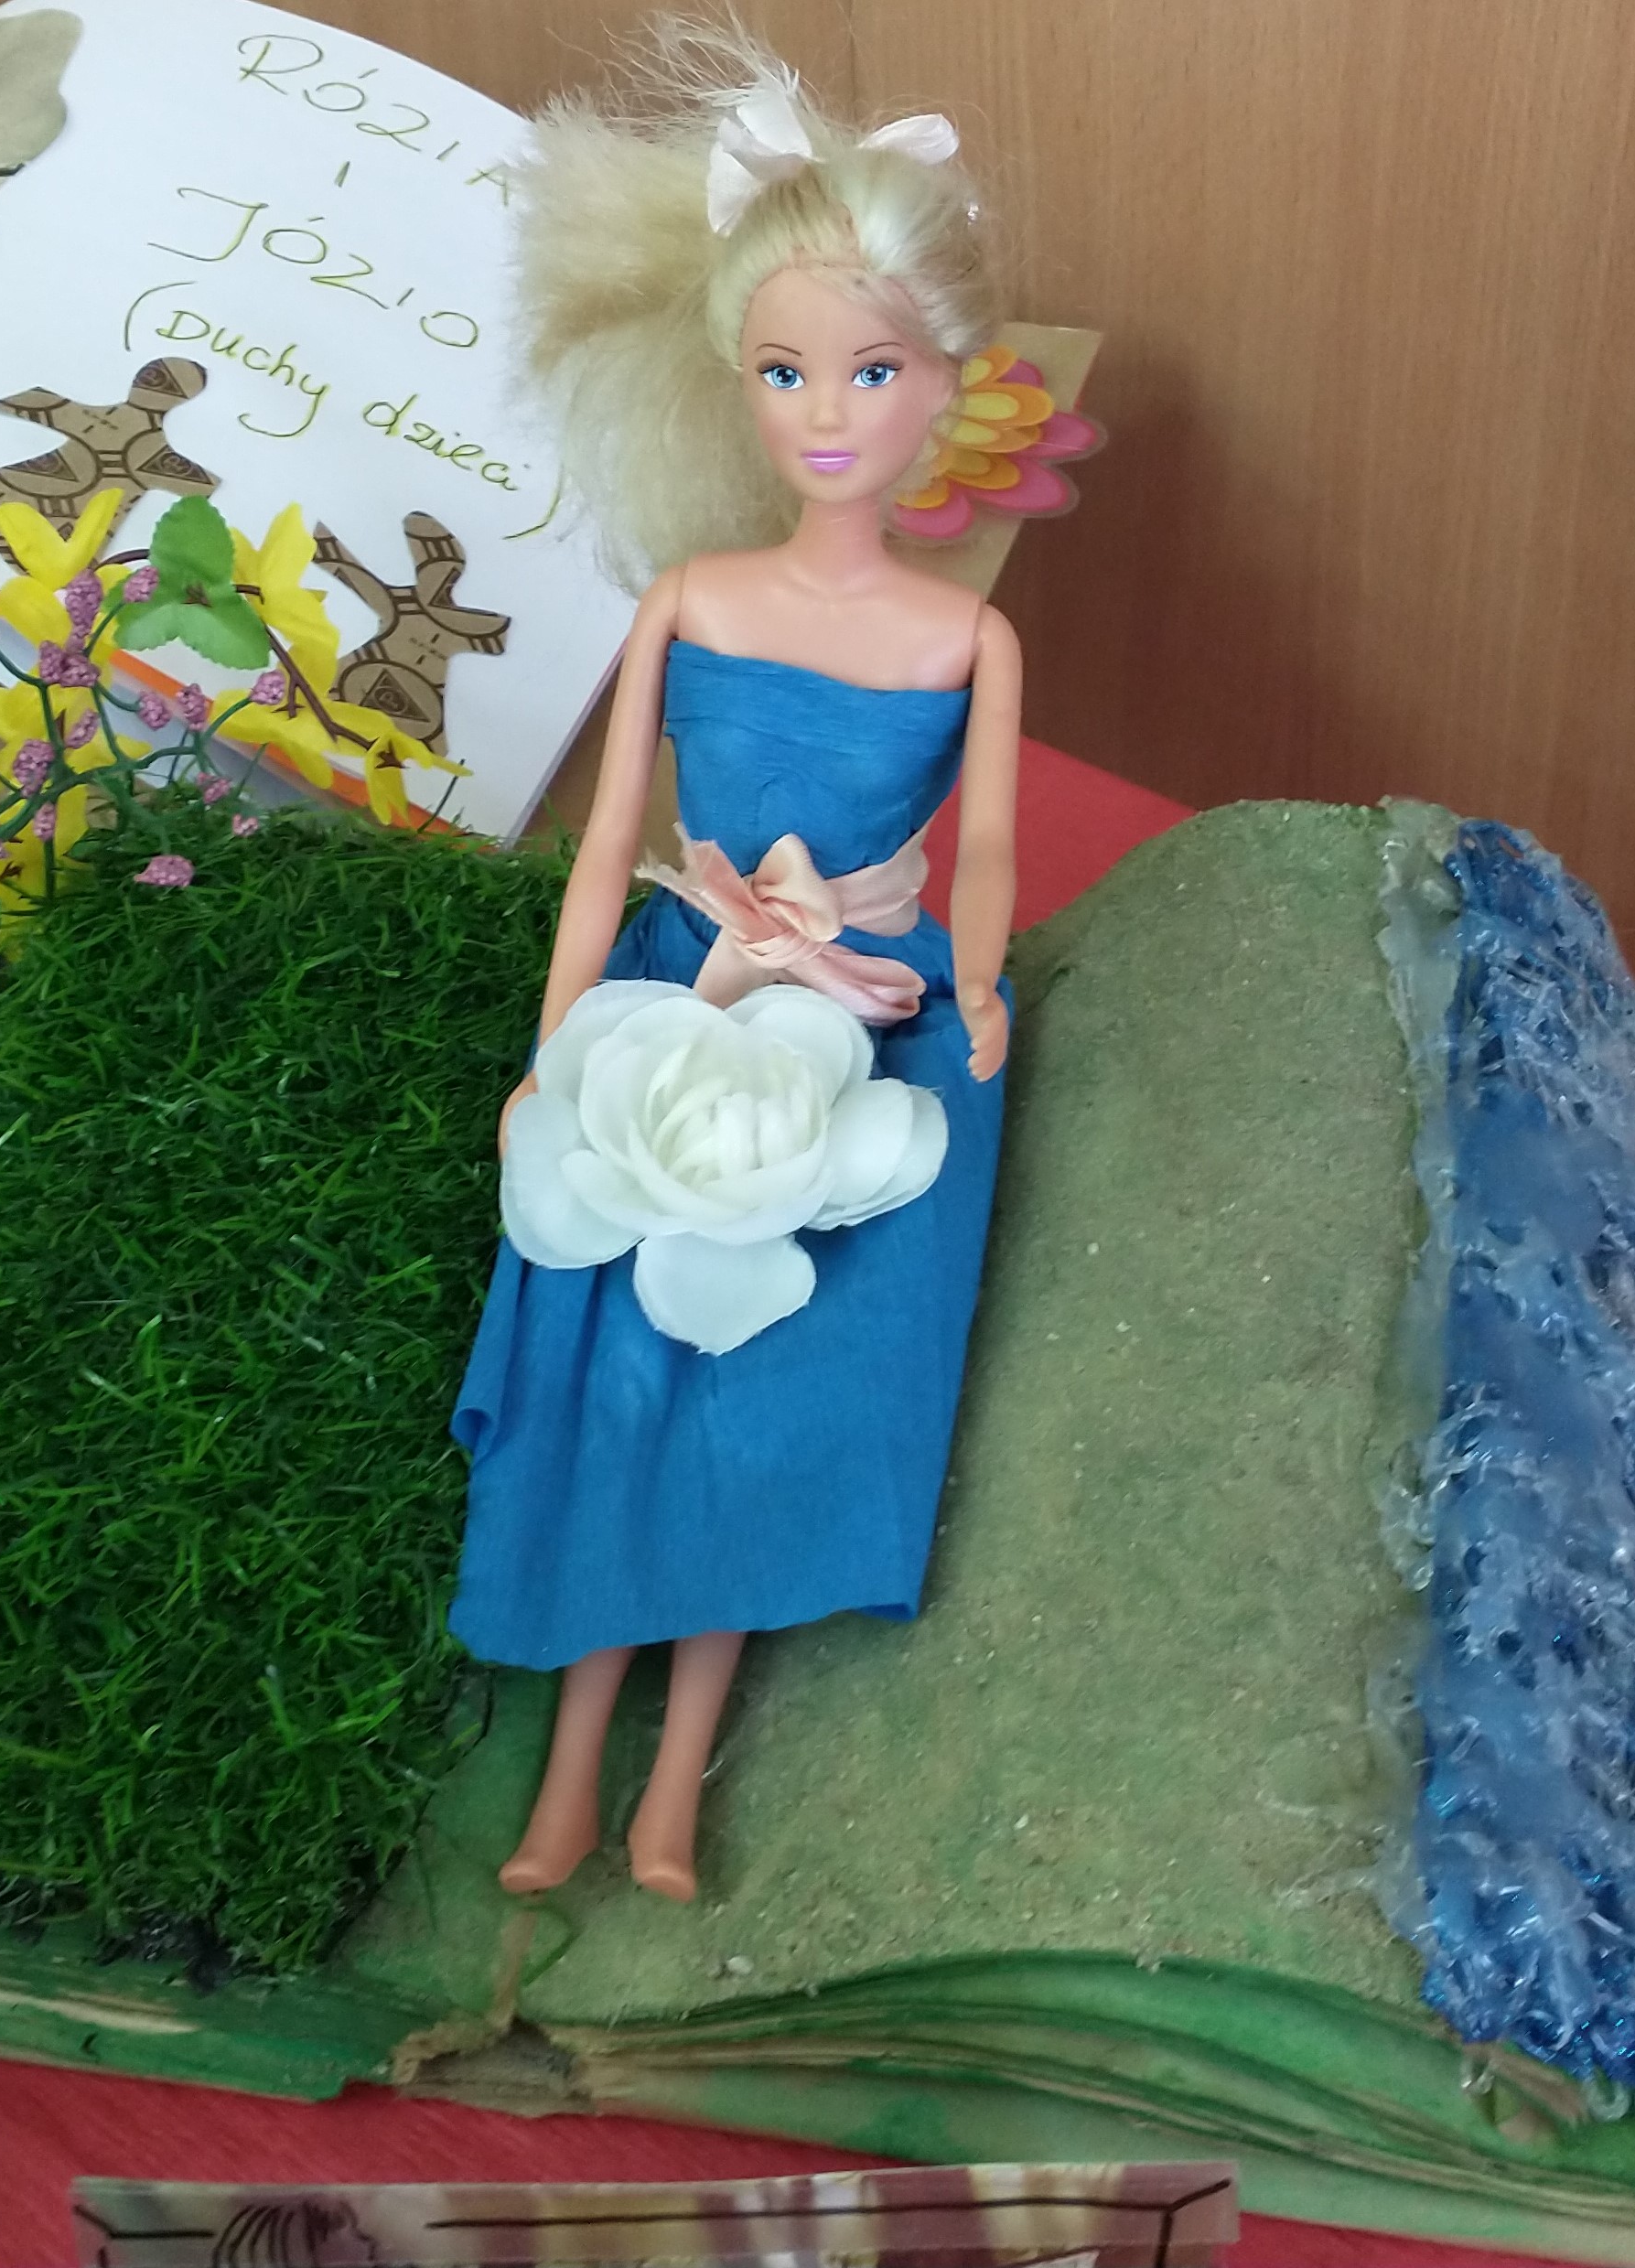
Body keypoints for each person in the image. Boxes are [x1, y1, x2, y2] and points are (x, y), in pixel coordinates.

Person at [448, 29, 1024, 1902]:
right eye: (785, 371)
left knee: (762, 1389)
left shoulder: (963, 641)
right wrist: (556, 1047)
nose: (825, 413)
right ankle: (564, 1783)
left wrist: (977, 987)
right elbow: (606, 838)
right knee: (615, 1379)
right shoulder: (691, 598)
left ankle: (673, 1788)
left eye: (870, 369)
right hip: (671, 993)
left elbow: (986, 853)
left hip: (864, 1029)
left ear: (945, 382)